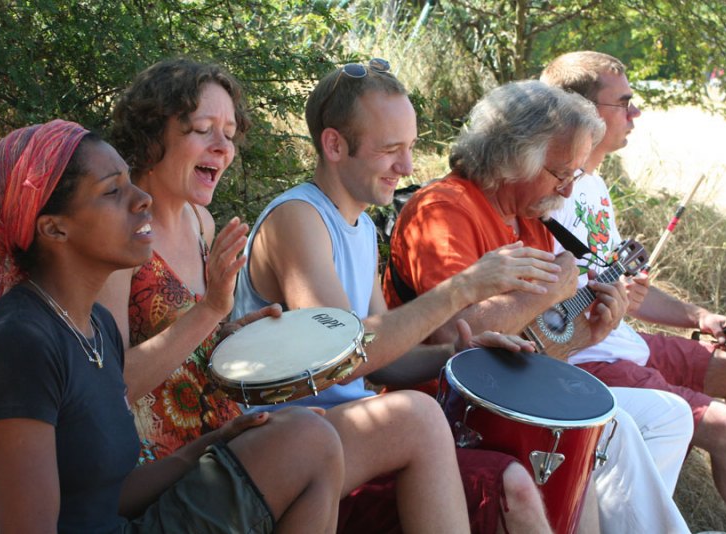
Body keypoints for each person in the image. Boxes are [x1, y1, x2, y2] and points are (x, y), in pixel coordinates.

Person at [102, 58, 473, 533]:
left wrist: (233, 338)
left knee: (398, 422)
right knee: (392, 421)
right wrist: (211, 312)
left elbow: (193, 355)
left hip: (228, 431)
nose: (223, 147)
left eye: (230, 133)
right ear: (153, 133)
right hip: (164, 464)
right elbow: (108, 388)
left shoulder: (201, 223)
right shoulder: (121, 236)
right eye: (203, 129)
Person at [0, 119, 348, 533]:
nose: (142, 200)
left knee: (305, 437)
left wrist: (218, 442)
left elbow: (105, 497)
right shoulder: (19, 344)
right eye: (113, 191)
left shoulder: (94, 328)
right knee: (310, 440)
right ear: (54, 228)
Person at [233, 59, 584, 533]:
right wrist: (463, 287)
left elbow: (383, 361)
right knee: (473, 456)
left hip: (345, 434)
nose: (408, 166)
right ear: (334, 144)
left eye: (412, 147)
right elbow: (342, 357)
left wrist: (454, 355)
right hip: (291, 441)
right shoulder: (298, 219)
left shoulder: (356, 226)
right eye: (390, 150)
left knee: (532, 467)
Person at [383, 80, 693, 533]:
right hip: (447, 408)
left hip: (504, 399)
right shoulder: (445, 211)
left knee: (655, 417)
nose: (567, 193)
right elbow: (455, 339)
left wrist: (589, 333)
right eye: (559, 174)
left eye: (574, 177)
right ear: (512, 156)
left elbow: (527, 347)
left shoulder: (529, 220)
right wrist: (547, 291)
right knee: (615, 429)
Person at [541, 50, 726, 515]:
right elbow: (550, 312)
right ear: (585, 112)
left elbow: (625, 290)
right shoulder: (548, 193)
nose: (637, 113)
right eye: (625, 102)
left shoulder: (594, 187)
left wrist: (700, 317)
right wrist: (605, 299)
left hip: (626, 341)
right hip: (590, 358)